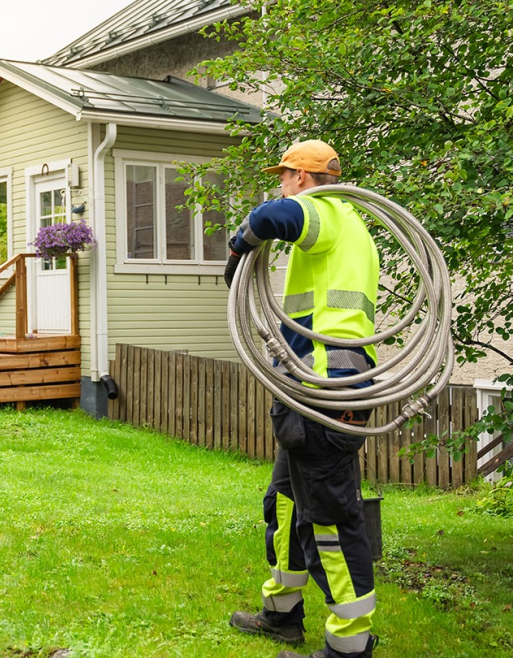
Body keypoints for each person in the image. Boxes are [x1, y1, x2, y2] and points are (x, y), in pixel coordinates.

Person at [223, 140, 380, 658]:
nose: (281, 184)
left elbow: (276, 216)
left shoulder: (327, 213)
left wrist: (239, 244)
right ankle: (282, 614)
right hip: (306, 389)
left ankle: (350, 644)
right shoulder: (352, 227)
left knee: (331, 518)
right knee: (286, 503)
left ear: (303, 178)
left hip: (324, 387)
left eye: (285, 176)